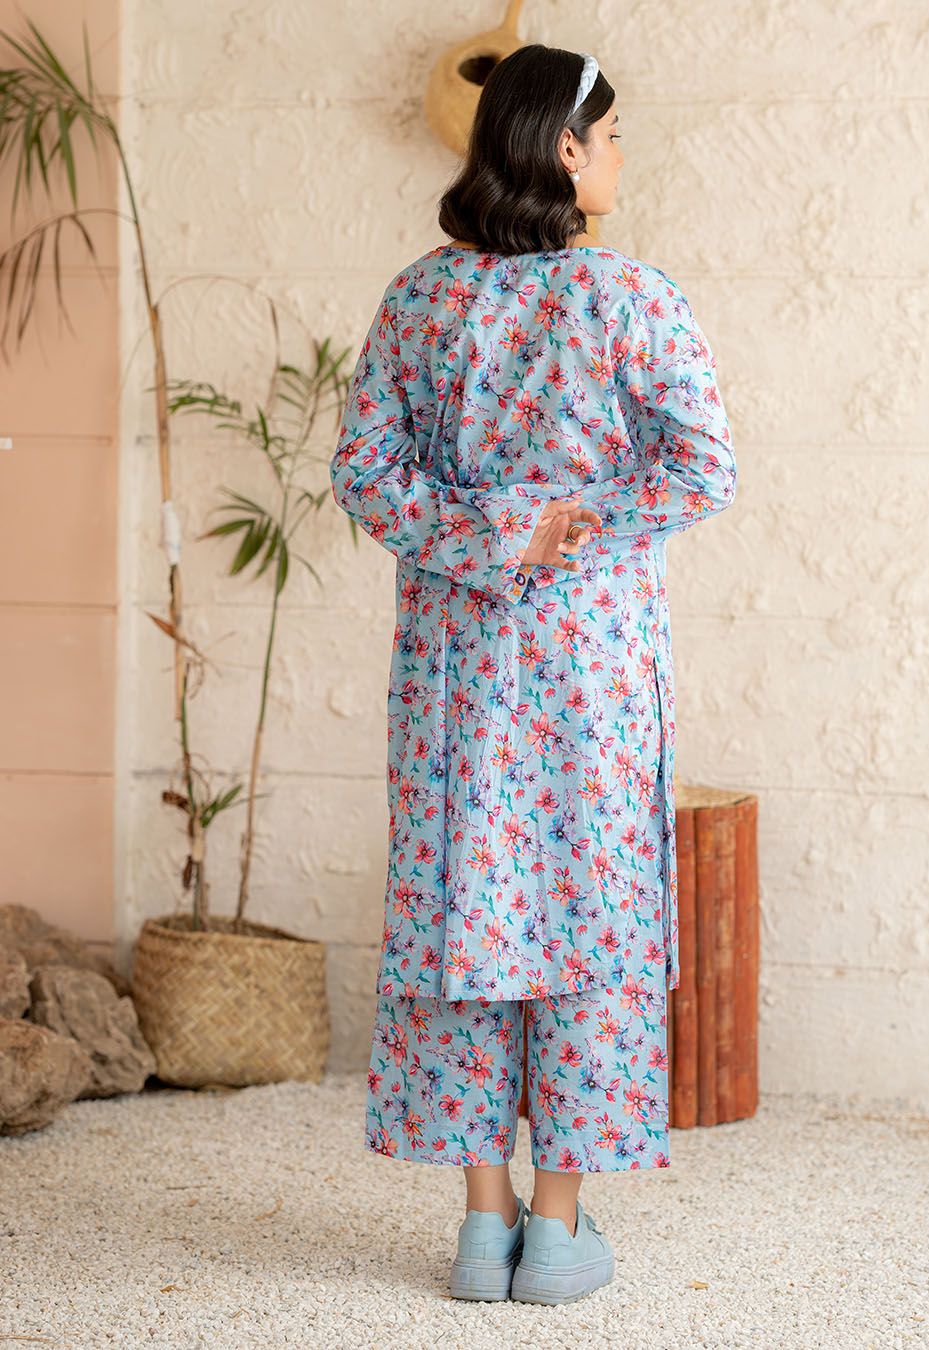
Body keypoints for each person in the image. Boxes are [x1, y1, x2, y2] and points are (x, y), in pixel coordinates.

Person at [329, 43, 736, 1305]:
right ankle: (557, 1233)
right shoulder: (633, 297)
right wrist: (564, 524)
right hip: (594, 672)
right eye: (611, 138)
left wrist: (494, 532)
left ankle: (482, 1223)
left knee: (468, 909)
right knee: (590, 915)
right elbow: (702, 467)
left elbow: (366, 474)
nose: (619, 159)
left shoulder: (418, 299)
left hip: (456, 670)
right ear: (565, 147)